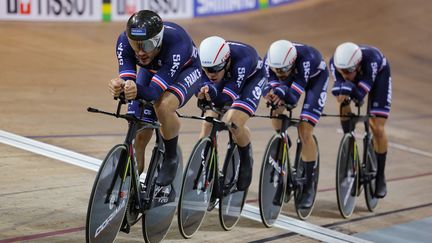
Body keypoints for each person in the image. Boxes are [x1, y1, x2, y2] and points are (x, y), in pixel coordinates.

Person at [108, 10, 202, 186]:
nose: (140, 52)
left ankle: (171, 156)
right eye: (135, 45)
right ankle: (130, 190)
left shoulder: (176, 42)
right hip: (152, 69)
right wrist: (120, 85)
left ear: (158, 41)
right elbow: (129, 81)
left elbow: (152, 93)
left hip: (186, 70)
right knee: (139, 130)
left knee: (163, 106)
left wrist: (135, 90)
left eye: (147, 45)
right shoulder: (123, 42)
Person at [263, 40, 329, 209]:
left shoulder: (305, 59)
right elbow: (267, 85)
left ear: (291, 63)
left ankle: (308, 185)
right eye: (276, 70)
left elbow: (293, 98)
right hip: (292, 78)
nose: (279, 73)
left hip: (315, 80)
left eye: (283, 69)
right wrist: (270, 94)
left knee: (305, 129)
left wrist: (280, 91)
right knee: (275, 107)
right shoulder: (269, 61)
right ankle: (283, 138)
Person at [197, 36, 266, 191]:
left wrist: (212, 94)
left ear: (227, 61)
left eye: (215, 69)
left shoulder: (243, 61)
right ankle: (202, 167)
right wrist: (202, 92)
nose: (211, 74)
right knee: (208, 120)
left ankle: (246, 159)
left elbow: (225, 98)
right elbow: (201, 86)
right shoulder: (209, 64)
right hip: (228, 75)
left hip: (251, 79)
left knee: (233, 122)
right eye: (207, 70)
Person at [329, 42, 391, 198]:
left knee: (376, 127)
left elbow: (360, 95)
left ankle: (380, 176)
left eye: (348, 71)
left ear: (357, 66)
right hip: (359, 78)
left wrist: (349, 90)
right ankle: (349, 141)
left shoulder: (372, 60)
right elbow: (340, 89)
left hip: (379, 78)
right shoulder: (334, 63)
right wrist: (342, 94)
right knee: (343, 99)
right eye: (341, 71)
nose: (344, 75)